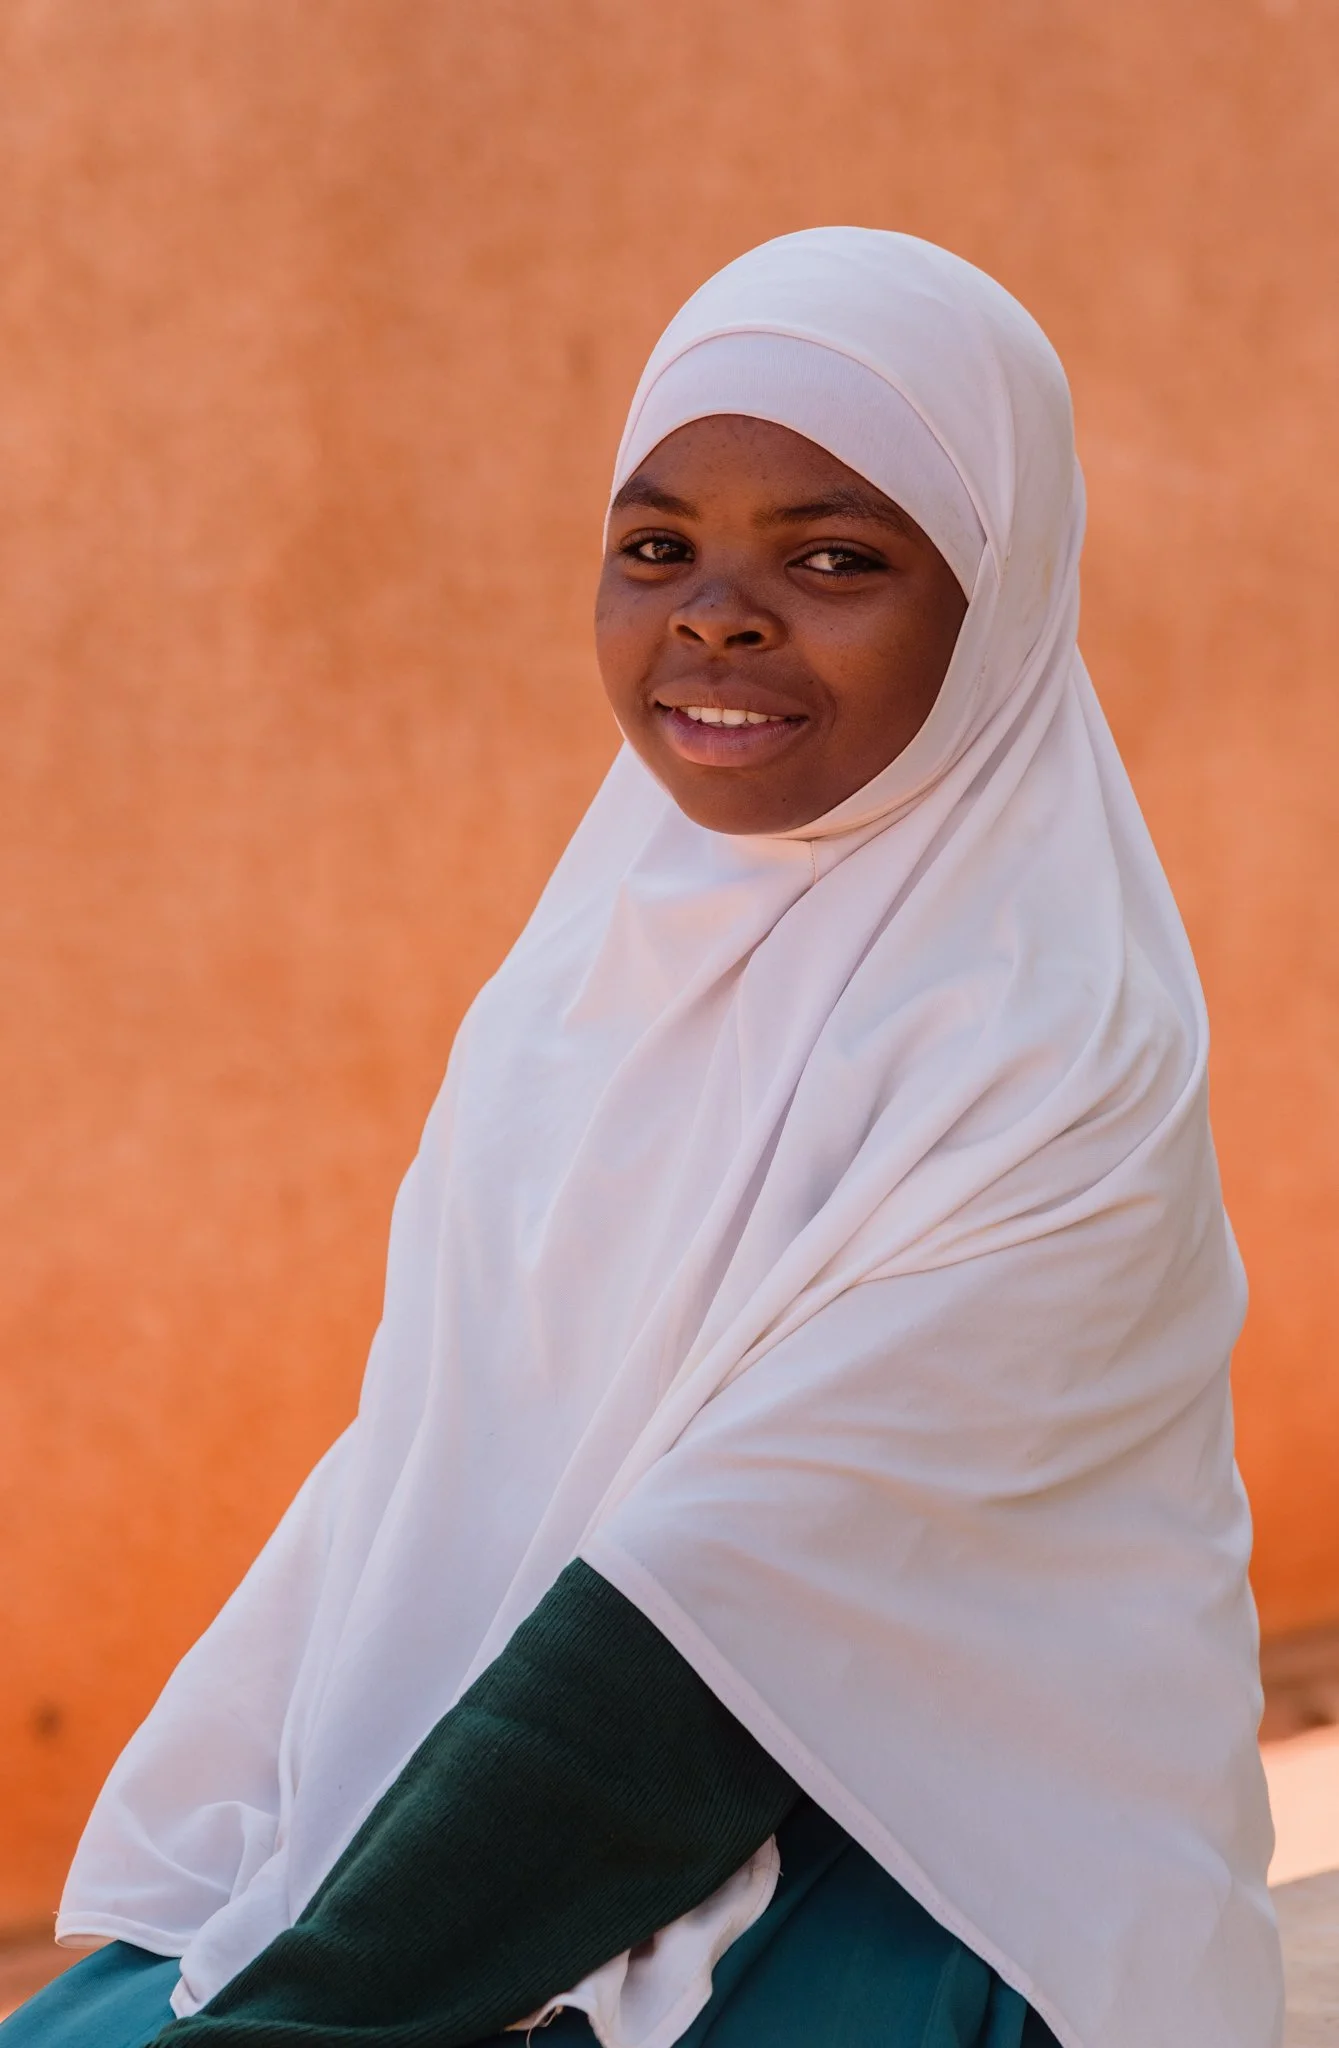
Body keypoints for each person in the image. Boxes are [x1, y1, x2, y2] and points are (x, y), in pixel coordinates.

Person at [5, 229, 1282, 2048]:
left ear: (1001, 594)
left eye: (834, 556)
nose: (716, 616)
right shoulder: (590, 967)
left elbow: (733, 1605)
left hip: (926, 1850)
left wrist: (315, 2016)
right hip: (524, 1785)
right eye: (656, 547)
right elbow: (434, 1459)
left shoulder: (1053, 1048)